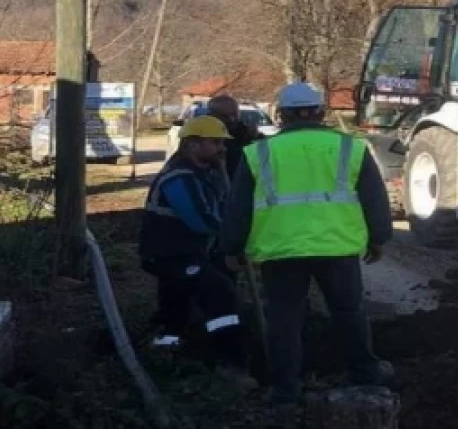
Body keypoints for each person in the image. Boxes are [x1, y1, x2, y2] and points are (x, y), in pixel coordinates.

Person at [221, 82, 394, 411]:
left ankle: (286, 390)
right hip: (337, 248)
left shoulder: (258, 153)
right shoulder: (350, 148)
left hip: (281, 251)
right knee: (350, 314)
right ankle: (365, 374)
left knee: (284, 321)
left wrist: (232, 248)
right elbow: (375, 198)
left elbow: (238, 207)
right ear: (320, 112)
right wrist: (378, 238)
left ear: (281, 115)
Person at [137, 115, 255, 388]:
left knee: (176, 306)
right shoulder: (180, 177)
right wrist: (234, 240)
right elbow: (202, 221)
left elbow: (221, 210)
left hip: (186, 252)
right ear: (192, 145)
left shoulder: (205, 174)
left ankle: (167, 350)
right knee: (221, 296)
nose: (222, 149)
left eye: (222, 143)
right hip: (172, 253)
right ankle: (231, 362)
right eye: (215, 143)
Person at [205, 95, 265, 180]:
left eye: (234, 114)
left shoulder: (249, 135)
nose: (232, 119)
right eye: (224, 116)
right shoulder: (203, 138)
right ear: (211, 115)